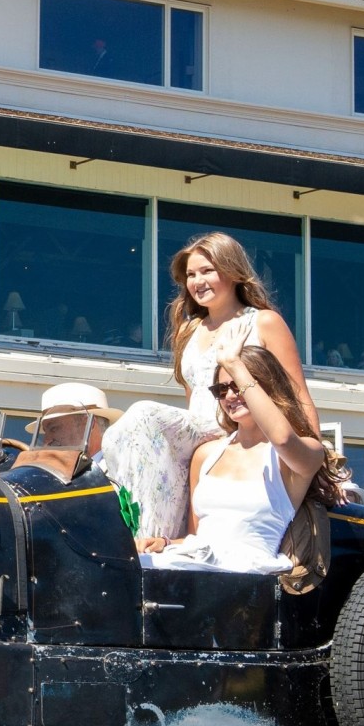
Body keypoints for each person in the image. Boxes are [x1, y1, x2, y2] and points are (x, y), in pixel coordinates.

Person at [102, 231, 318, 542]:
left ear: (232, 271)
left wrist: (315, 457)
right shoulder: (189, 331)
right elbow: (193, 402)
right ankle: (145, 537)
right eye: (191, 274)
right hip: (202, 438)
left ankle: (147, 538)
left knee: (144, 414)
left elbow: (297, 394)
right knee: (128, 438)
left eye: (207, 271)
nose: (197, 281)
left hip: (242, 429)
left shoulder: (262, 322)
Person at [139, 342, 339, 573]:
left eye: (238, 385)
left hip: (247, 577)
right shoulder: (206, 454)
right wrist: (164, 543)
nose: (230, 396)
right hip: (195, 567)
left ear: (269, 387)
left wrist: (234, 364)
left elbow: (282, 439)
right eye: (221, 390)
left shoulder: (301, 452)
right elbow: (198, 538)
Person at [27, 383, 122, 466]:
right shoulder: (51, 474)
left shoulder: (122, 475)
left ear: (87, 424)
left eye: (54, 428)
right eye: (45, 432)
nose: (46, 441)